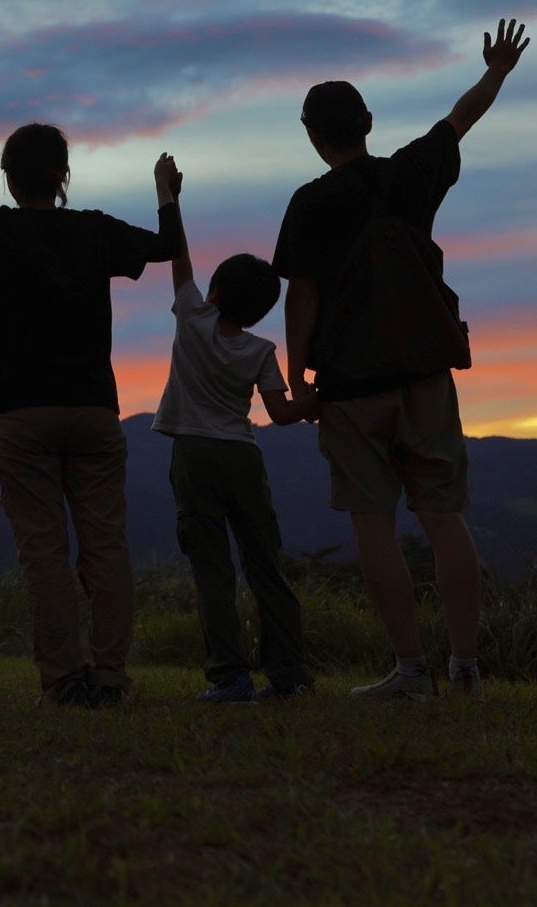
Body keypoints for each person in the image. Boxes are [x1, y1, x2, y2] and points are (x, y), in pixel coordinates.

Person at [272, 19, 531, 700]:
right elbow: (461, 118)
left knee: (372, 523)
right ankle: (466, 668)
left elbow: (303, 296)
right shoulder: (411, 173)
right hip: (424, 373)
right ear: (367, 122)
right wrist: (497, 70)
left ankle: (410, 671)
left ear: (313, 135)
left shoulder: (310, 202)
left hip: (350, 385)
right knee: (443, 517)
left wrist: (298, 379)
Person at [0, 122, 180, 706]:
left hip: (21, 411)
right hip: (94, 408)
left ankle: (65, 678)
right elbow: (166, 246)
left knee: (44, 551)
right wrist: (166, 192)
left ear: (9, 176)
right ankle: (110, 675)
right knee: (106, 546)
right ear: (63, 174)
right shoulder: (94, 230)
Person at [146, 151, 316, 703]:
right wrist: (314, 402)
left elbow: (178, 255)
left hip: (194, 456)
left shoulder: (192, 316)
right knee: (266, 566)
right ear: (261, 310)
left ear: (215, 290)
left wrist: (168, 194)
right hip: (243, 456)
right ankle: (288, 675)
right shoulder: (262, 350)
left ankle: (230, 677)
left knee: (212, 571)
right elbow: (282, 414)